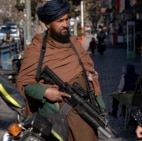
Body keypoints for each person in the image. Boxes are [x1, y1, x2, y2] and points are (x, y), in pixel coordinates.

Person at [16, 0, 106, 141]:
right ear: (47, 24)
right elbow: (25, 84)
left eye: (67, 19)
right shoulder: (37, 47)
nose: (65, 24)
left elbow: (91, 75)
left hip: (84, 116)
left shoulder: (74, 43)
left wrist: (101, 107)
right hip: (55, 120)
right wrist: (45, 92)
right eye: (60, 21)